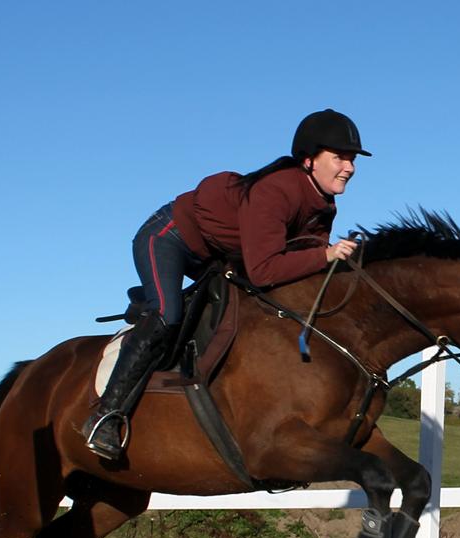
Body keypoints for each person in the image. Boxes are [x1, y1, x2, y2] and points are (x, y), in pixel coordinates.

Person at [81, 108, 371, 460]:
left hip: (219, 257)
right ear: (309, 160)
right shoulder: (277, 190)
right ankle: (105, 416)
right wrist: (326, 256)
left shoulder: (324, 205)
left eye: (352, 159)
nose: (350, 168)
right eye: (340, 158)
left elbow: (299, 267)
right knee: (167, 315)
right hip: (169, 238)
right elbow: (265, 271)